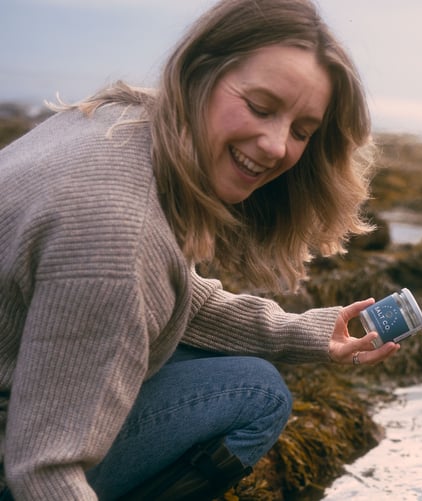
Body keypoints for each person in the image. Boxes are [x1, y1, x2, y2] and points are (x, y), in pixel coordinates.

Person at [0, 0, 401, 499]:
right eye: (260, 107)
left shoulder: (117, 120)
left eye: (302, 131)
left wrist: (309, 333)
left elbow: (178, 297)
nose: (278, 146)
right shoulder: (119, 240)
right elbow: (43, 471)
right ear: (199, 72)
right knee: (256, 394)